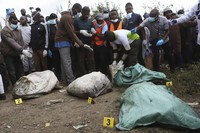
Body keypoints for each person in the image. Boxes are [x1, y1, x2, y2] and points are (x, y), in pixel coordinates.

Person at [0, 16, 32, 85]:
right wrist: (22, 50)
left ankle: (21, 85)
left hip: (17, 53)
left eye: (16, 23)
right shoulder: (5, 31)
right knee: (12, 72)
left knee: (20, 70)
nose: (16, 24)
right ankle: (15, 86)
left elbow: (21, 41)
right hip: (8, 54)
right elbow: (11, 42)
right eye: (14, 23)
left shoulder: (18, 30)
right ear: (9, 22)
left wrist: (21, 52)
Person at [55, 10, 84, 85]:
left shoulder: (64, 17)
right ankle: (71, 80)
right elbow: (71, 31)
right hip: (63, 41)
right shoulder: (67, 17)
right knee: (67, 61)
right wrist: (79, 42)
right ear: (75, 9)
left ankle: (65, 79)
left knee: (64, 61)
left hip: (61, 41)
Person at [74, 6, 95, 77]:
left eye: (88, 14)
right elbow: (73, 32)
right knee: (80, 60)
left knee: (91, 60)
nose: (86, 16)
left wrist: (92, 32)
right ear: (82, 12)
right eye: (85, 14)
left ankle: (93, 74)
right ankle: (84, 75)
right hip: (80, 43)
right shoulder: (77, 21)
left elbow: (92, 32)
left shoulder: (90, 22)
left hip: (89, 43)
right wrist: (80, 32)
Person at [46, 13, 61, 80]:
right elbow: (47, 37)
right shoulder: (47, 26)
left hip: (57, 46)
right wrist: (47, 48)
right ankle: (50, 78)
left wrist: (57, 28)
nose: (53, 20)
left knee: (57, 62)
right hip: (50, 46)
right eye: (51, 19)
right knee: (50, 63)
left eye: (54, 18)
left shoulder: (58, 25)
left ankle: (58, 77)